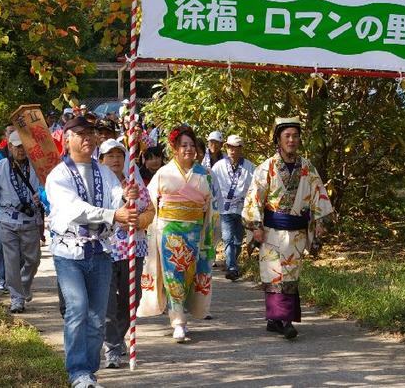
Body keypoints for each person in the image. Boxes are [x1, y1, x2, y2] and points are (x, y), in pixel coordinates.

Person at [45, 116, 138, 388]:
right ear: (67, 139)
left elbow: (115, 197)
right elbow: (75, 209)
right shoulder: (58, 175)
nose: (88, 138)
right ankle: (77, 372)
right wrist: (114, 213)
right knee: (77, 308)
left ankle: (89, 371)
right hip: (69, 252)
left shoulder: (104, 172)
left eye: (91, 133)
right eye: (81, 133)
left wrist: (125, 196)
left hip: (100, 249)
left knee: (97, 316)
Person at [243, 117, 334, 340]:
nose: (292, 140)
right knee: (274, 274)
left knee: (290, 275)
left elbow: (318, 194)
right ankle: (284, 320)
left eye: (295, 136)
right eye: (287, 136)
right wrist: (255, 225)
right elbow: (254, 197)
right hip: (272, 231)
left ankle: (276, 320)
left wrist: (321, 221)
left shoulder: (307, 167)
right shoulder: (267, 167)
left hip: (296, 232)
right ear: (278, 140)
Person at [138, 125, 216, 343]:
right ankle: (178, 321)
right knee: (174, 276)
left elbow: (211, 207)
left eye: (192, 145)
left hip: (195, 231)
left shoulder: (206, 175)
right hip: (169, 231)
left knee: (191, 276)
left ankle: (185, 314)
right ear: (174, 148)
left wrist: (209, 233)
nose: (189, 149)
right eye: (184, 145)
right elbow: (150, 204)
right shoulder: (163, 174)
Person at [98, 139, 155, 369]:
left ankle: (118, 336)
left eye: (119, 155)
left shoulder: (134, 183)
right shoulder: (98, 184)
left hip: (133, 249)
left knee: (133, 298)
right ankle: (111, 346)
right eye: (109, 156)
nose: (115, 160)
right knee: (108, 301)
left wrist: (139, 221)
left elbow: (150, 209)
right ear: (101, 160)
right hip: (106, 250)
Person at [0, 131, 43, 313]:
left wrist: (42, 197)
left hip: (30, 220)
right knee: (11, 261)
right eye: (17, 146)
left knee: (33, 260)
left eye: (24, 146)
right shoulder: (0, 168)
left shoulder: (37, 167)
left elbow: (47, 189)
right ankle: (17, 298)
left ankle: (23, 286)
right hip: (7, 220)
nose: (21, 150)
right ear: (10, 147)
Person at [212, 135, 255, 281]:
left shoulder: (249, 167)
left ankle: (232, 262)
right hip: (225, 208)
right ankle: (232, 267)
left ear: (240, 149)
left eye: (235, 147)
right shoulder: (218, 166)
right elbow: (212, 185)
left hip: (242, 209)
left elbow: (255, 187)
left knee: (237, 240)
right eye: (229, 147)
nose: (232, 150)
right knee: (228, 238)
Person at [0, 123, 15, 292]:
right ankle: (3, 278)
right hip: (2, 209)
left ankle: (16, 280)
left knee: (20, 250)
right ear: (4, 136)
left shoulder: (27, 154)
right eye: (9, 132)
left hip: (23, 213)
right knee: (0, 245)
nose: (12, 134)